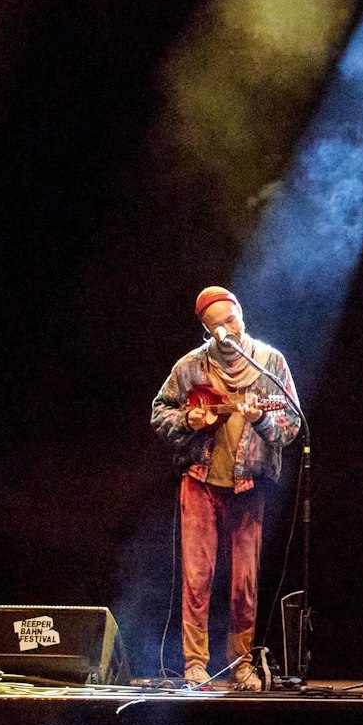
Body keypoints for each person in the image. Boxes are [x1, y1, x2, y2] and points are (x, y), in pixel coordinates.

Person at [149, 285, 301, 690]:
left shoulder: (270, 363)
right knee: (197, 578)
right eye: (216, 326)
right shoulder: (190, 368)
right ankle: (195, 664)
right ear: (206, 330)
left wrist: (261, 421)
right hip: (200, 481)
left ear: (241, 314)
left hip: (248, 485)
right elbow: (159, 412)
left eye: (230, 320)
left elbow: (291, 423)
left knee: (244, 583)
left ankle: (242, 664)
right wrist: (188, 422)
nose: (226, 330)